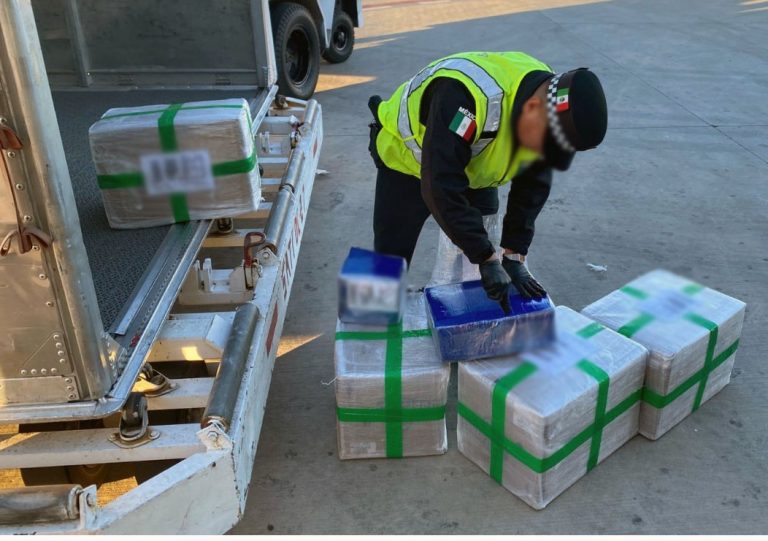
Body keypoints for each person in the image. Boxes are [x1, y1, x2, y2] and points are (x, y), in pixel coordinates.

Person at [367, 52, 608, 312]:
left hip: (474, 162)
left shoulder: (545, 89)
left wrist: (514, 254)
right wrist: (485, 257)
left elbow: (534, 181)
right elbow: (440, 185)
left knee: (477, 258)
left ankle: (465, 315)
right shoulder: (465, 100)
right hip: (405, 159)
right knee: (390, 256)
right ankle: (369, 323)